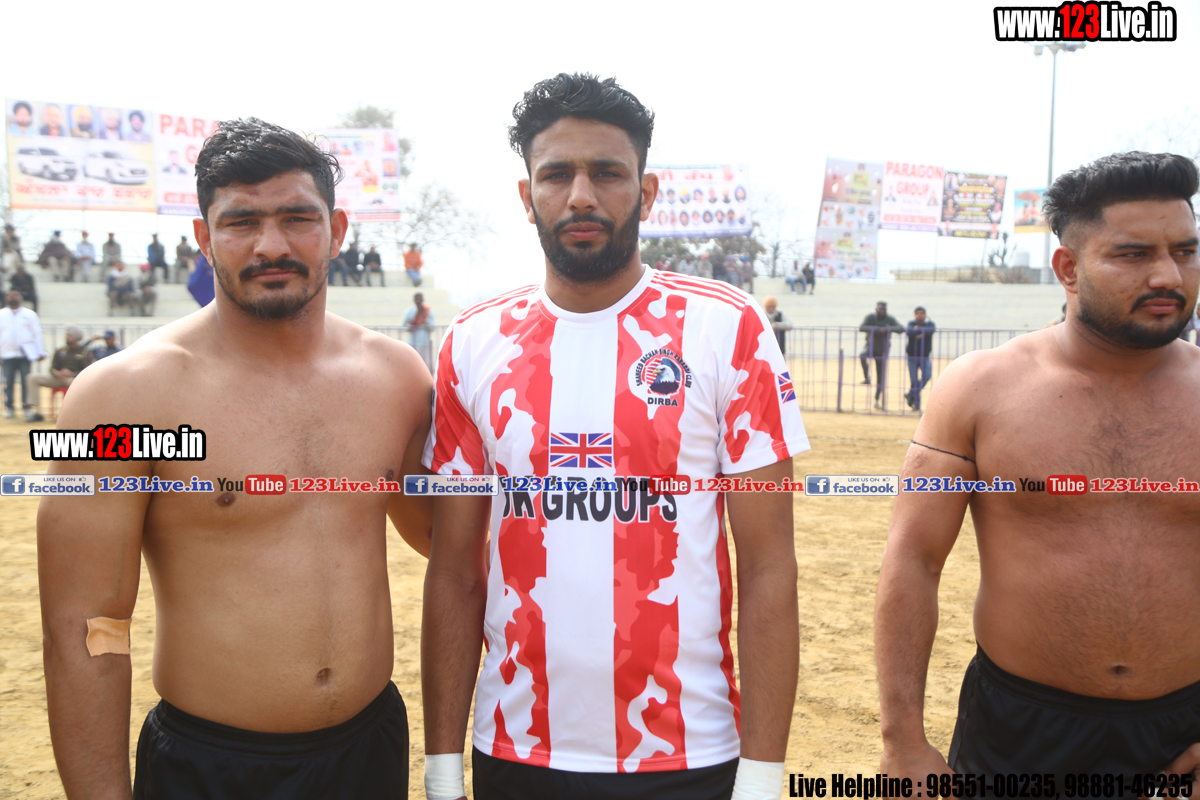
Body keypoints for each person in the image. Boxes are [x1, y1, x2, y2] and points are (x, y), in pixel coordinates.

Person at [421, 72, 806, 800]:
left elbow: (768, 569)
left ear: (647, 191)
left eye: (606, 173)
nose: (581, 196)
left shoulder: (727, 328)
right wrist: (442, 767)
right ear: (526, 195)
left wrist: (762, 775)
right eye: (556, 175)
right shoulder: (472, 342)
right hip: (517, 750)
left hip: (689, 753)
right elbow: (454, 571)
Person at [38, 117, 433, 799]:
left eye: (297, 218)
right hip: (211, 767)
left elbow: (450, 541)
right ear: (203, 237)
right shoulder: (119, 397)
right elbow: (82, 629)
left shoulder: (397, 378)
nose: (270, 244)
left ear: (337, 230)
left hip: (370, 748)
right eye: (241, 221)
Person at [875, 151, 1200, 784]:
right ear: (1069, 268)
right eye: (1133, 254)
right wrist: (902, 740)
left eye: (1185, 251)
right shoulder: (979, 389)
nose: (1168, 274)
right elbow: (913, 560)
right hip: (1018, 730)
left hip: (1183, 731)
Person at [26, 324, 91, 421]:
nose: (67, 337)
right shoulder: (61, 351)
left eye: (69, 335)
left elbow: (88, 370)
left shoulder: (84, 351)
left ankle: (67, 413)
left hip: (73, 379)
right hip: (58, 378)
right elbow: (52, 368)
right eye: (67, 335)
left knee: (75, 385)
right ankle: (37, 412)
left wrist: (72, 374)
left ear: (76, 337)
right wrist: (57, 373)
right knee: (33, 378)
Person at [0, 289, 46, 419]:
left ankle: (27, 407)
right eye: (10, 296)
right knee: (8, 383)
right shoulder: (1, 314)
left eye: (15, 295)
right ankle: (10, 407)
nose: (12, 298)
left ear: (20, 298)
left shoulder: (29, 314)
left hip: (25, 354)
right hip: (7, 353)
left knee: (26, 382)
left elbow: (37, 333)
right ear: (6, 298)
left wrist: (40, 351)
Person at [858, 301, 903, 408]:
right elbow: (861, 327)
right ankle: (866, 377)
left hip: (883, 350)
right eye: (880, 309)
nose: (882, 311)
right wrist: (876, 329)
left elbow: (901, 328)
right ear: (876, 309)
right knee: (862, 355)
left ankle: (877, 399)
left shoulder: (889, 319)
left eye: (883, 309)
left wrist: (888, 329)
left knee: (880, 377)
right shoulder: (870, 317)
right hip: (870, 347)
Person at [903, 306, 935, 411]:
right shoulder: (911, 324)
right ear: (915, 315)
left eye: (921, 313)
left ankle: (911, 394)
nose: (920, 315)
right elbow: (909, 332)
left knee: (927, 375)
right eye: (917, 313)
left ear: (925, 315)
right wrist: (922, 332)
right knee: (914, 381)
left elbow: (931, 330)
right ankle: (916, 405)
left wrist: (918, 330)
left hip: (924, 356)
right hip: (912, 356)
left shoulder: (930, 324)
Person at [402, 291, 434, 371]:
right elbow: (402, 327)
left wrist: (424, 317)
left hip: (425, 343)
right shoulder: (409, 312)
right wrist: (409, 329)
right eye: (417, 299)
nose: (419, 301)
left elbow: (433, 327)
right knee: (412, 364)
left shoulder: (428, 311)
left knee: (426, 365)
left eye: (420, 299)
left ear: (423, 300)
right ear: (414, 300)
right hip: (412, 343)